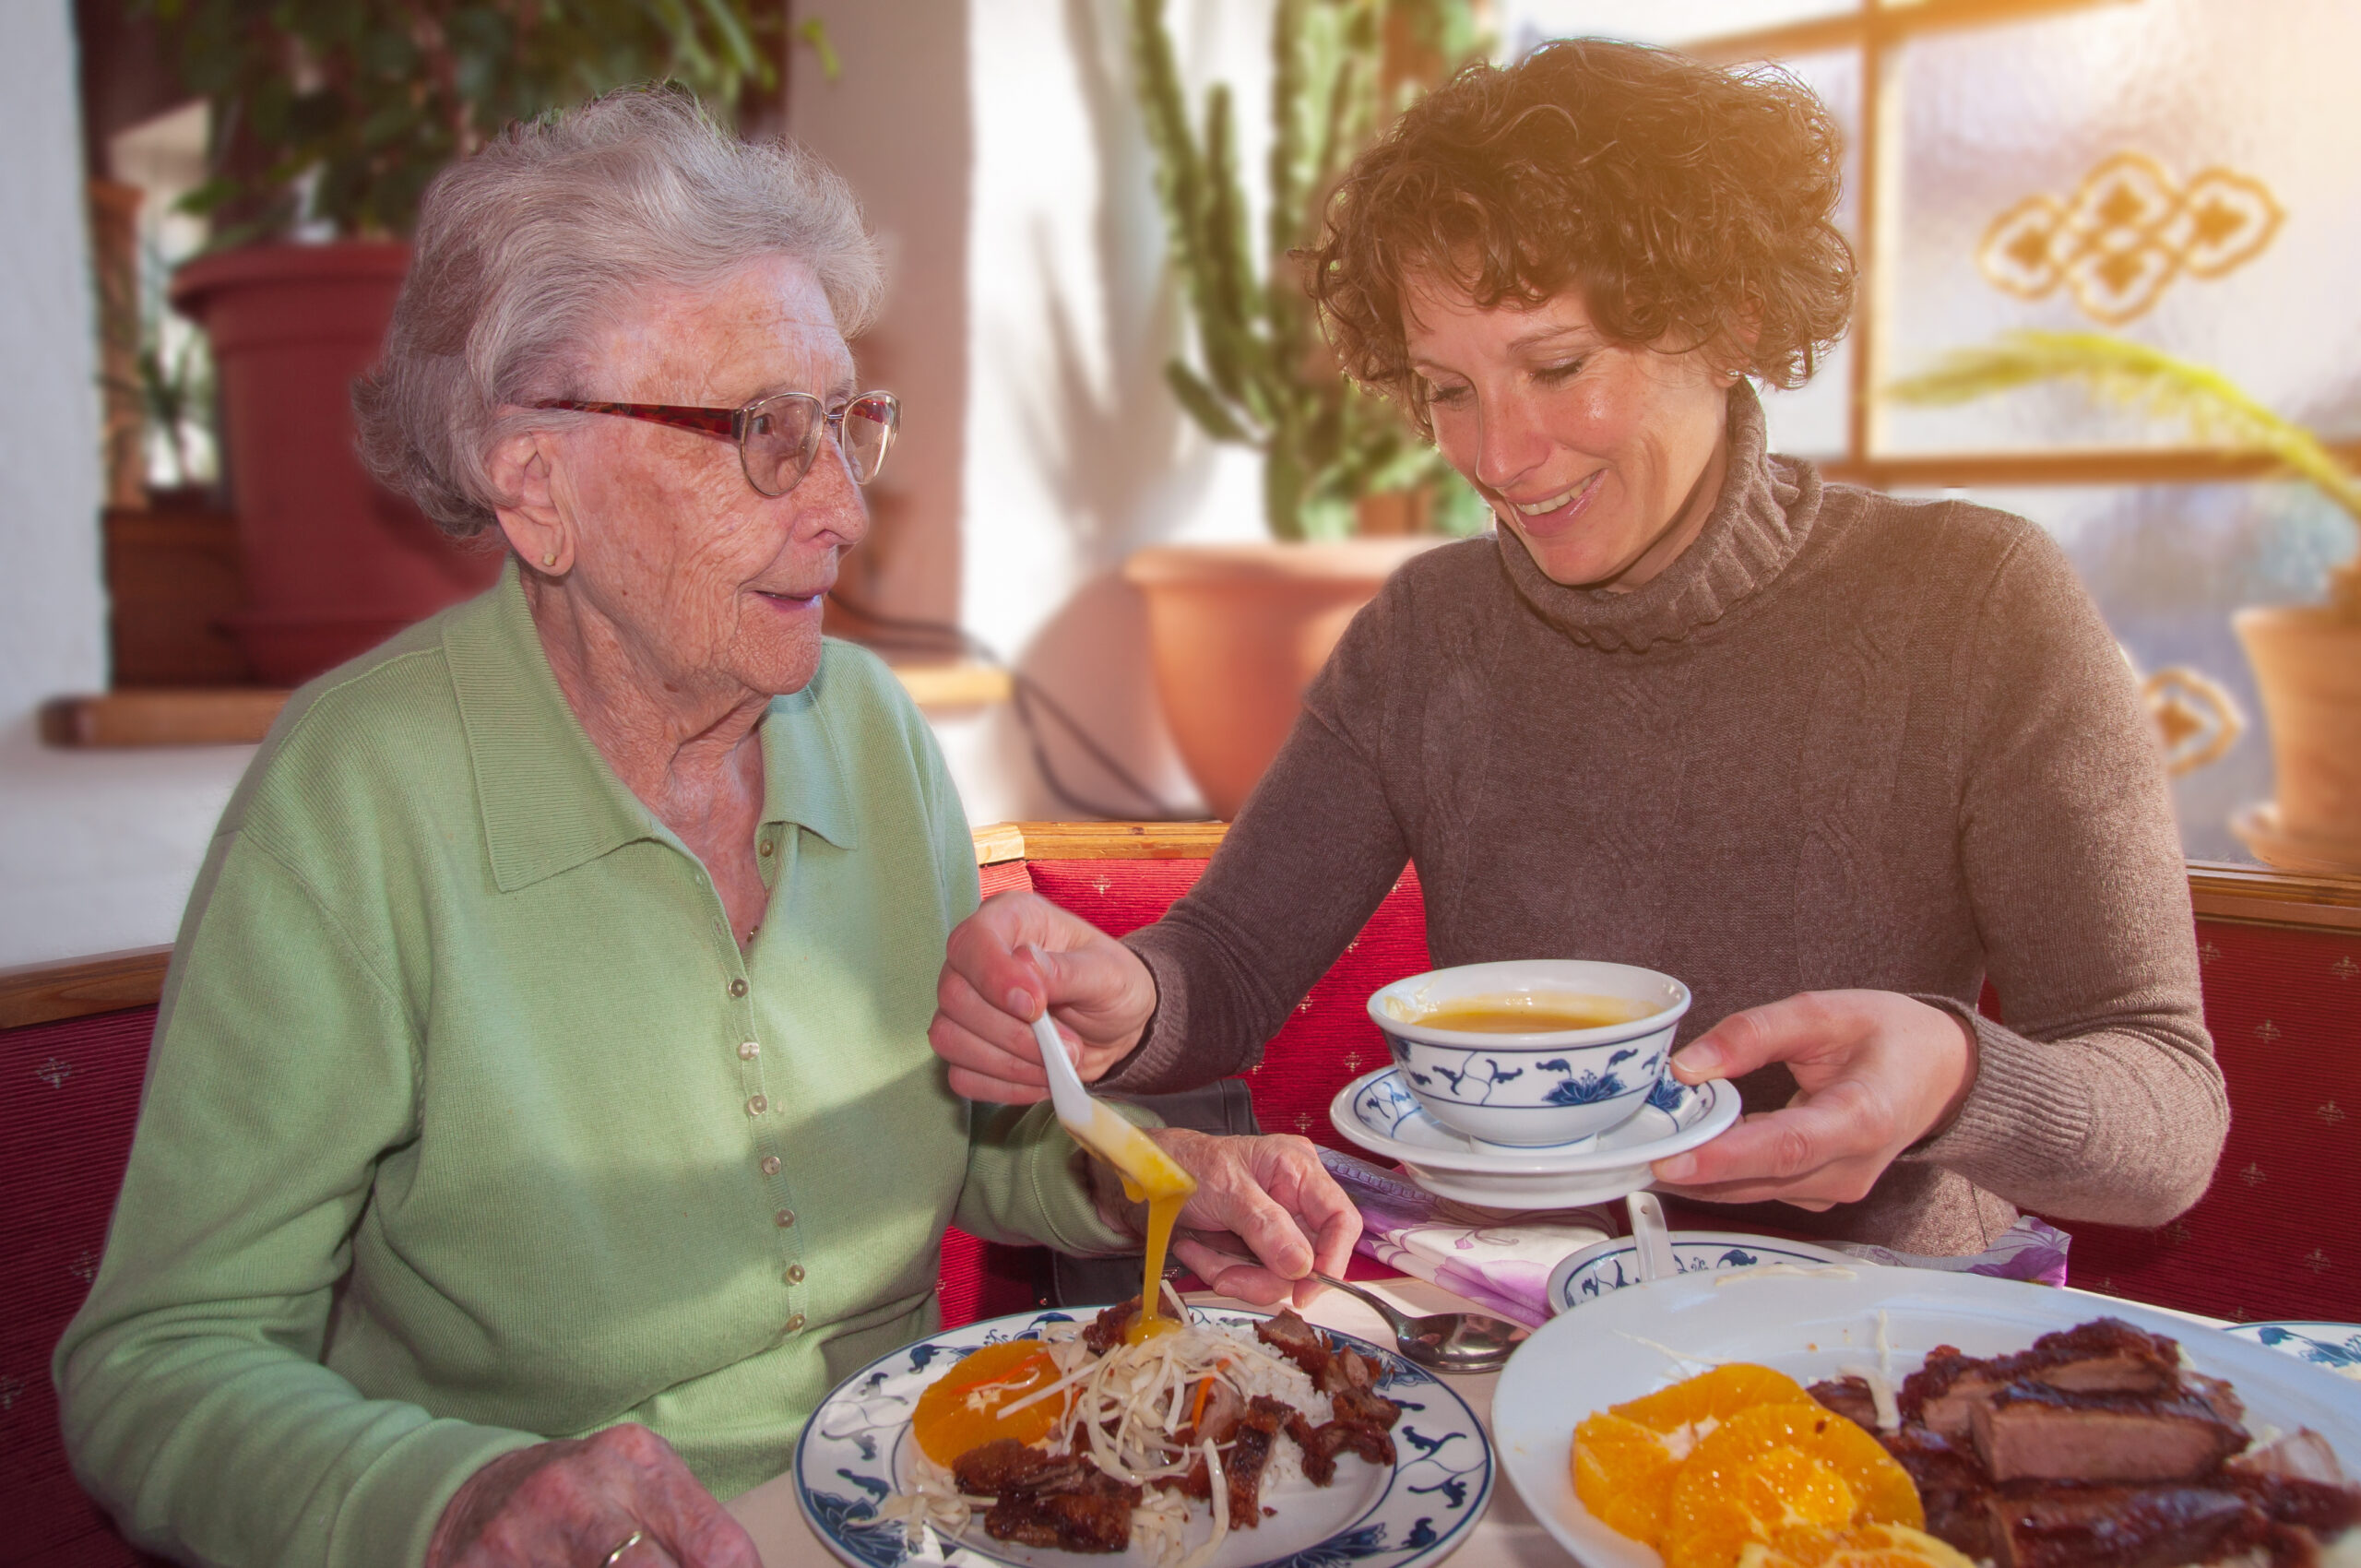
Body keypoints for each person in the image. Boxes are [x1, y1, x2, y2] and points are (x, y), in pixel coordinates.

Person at [54, 89, 1357, 1568]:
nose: (846, 511)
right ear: (537, 486)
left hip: (930, 1512)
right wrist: (450, 1502)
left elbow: (974, 1139)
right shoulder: (357, 799)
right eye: (763, 435)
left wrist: (1155, 1181)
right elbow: (157, 1362)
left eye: (847, 424)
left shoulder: (867, 732)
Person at [930, 40, 2226, 1253]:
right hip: (1506, 1329)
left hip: (1866, 1366)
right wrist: (1122, 995)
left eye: (1555, 367)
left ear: (1724, 319)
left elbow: (2166, 1115)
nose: (1497, 457)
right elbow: (1222, 971)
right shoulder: (1428, 637)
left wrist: (1952, 1075)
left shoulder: (1974, 603)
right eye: (1449, 389)